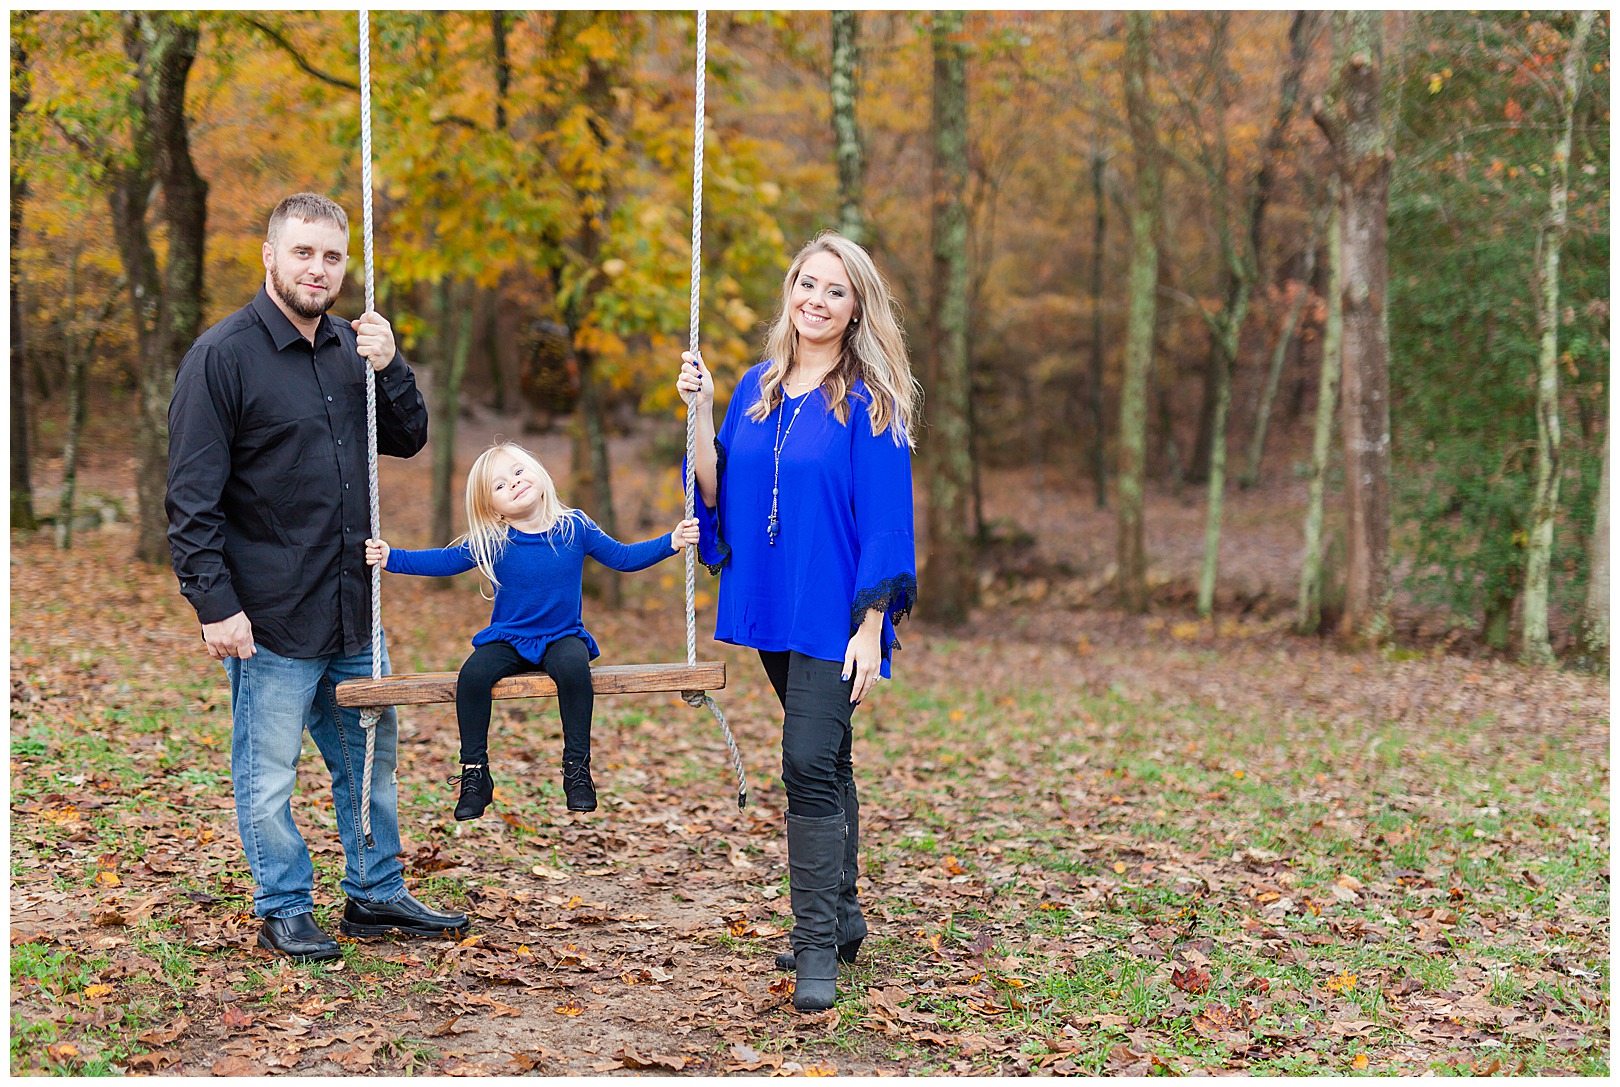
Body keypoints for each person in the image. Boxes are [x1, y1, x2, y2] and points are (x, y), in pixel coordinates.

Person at [166, 192, 468, 964]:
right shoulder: (222, 357)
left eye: (331, 256)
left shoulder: (351, 347)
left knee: (370, 763)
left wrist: (392, 363)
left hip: (352, 609)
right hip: (268, 613)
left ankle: (374, 892)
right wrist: (215, 604)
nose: (318, 268)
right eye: (303, 252)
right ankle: (284, 904)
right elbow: (190, 499)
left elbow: (411, 436)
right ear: (269, 255)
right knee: (268, 774)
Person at [676, 231, 919, 1012]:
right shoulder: (757, 385)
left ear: (856, 310)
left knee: (807, 763)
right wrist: (704, 409)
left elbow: (885, 519)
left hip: (836, 610)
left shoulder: (871, 399)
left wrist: (869, 628)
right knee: (831, 758)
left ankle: (815, 944)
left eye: (834, 291)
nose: (815, 300)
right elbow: (715, 484)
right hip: (776, 599)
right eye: (806, 284)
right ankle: (843, 915)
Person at [363, 441, 700, 820]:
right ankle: (475, 772)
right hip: (509, 638)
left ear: (538, 473)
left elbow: (622, 557)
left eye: (519, 472)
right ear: (492, 507)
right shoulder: (492, 540)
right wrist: (393, 558)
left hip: (561, 635)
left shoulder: (576, 527)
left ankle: (577, 769)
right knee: (472, 675)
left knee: (574, 667)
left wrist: (670, 543)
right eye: (501, 485)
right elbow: (443, 561)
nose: (515, 484)